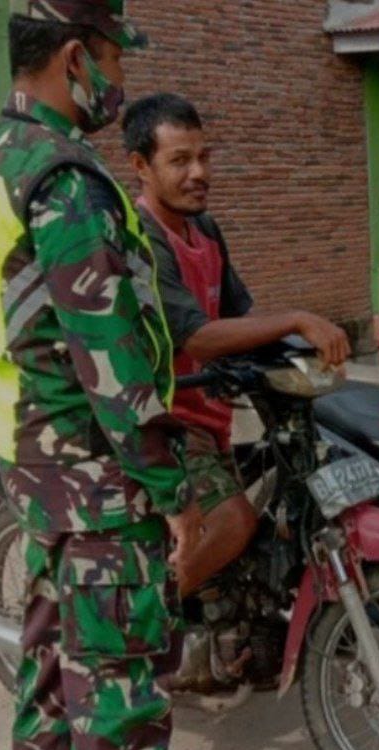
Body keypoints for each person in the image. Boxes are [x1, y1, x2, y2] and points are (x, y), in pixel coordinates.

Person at [0, 3, 243, 750]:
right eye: (115, 58)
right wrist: (166, 489)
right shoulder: (66, 179)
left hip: (29, 450)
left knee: (49, 635)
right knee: (115, 661)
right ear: (76, 58)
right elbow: (110, 352)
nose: (118, 78)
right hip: (90, 458)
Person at [122, 93, 349, 599]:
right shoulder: (142, 236)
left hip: (211, 414)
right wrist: (297, 318)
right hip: (165, 422)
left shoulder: (203, 228)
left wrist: (301, 353)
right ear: (141, 166)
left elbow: (236, 315)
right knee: (232, 522)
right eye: (180, 160)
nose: (198, 172)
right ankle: (143, 628)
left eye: (204, 156)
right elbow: (197, 334)